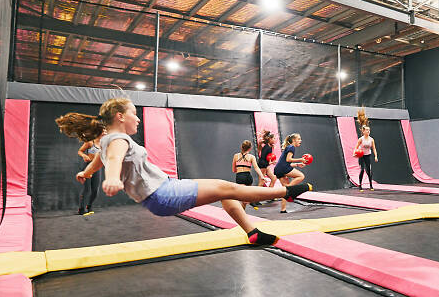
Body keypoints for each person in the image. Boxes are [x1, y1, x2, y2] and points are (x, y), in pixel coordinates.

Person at [55, 97, 312, 245]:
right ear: (120, 116)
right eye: (134, 114)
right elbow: (112, 159)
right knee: (230, 188)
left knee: (226, 193)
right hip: (163, 194)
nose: (138, 118)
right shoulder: (117, 141)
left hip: (163, 193)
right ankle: (286, 192)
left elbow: (101, 157)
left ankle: (253, 233)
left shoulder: (107, 139)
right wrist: (111, 178)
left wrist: (87, 172)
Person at [273, 133, 307, 213]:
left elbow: (285, 162)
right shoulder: (291, 147)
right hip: (283, 169)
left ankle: (283, 209)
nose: (300, 141)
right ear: (294, 140)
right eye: (298, 139)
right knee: (301, 176)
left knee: (285, 192)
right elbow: (288, 159)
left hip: (279, 169)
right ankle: (290, 189)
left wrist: (297, 164)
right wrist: (301, 159)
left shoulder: (289, 147)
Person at [232, 140, 265, 210]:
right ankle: (249, 201)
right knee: (246, 195)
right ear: (250, 148)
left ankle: (247, 203)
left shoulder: (236, 156)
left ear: (241, 147)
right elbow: (256, 168)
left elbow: (234, 170)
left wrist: (239, 167)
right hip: (248, 177)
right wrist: (262, 176)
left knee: (242, 197)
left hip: (240, 176)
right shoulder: (251, 157)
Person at [77, 133, 104, 215]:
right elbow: (80, 151)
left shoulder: (104, 143)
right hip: (87, 166)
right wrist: (84, 156)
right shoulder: (90, 142)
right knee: (87, 189)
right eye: (103, 131)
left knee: (95, 190)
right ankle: (81, 209)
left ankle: (89, 206)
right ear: (98, 132)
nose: (105, 133)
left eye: (106, 131)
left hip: (97, 167)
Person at [355, 109, 378, 192]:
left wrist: (375, 156)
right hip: (361, 156)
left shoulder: (371, 139)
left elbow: (374, 148)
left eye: (369, 130)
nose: (368, 131)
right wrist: (355, 153)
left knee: (369, 170)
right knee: (362, 169)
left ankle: (371, 185)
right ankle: (360, 185)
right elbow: (356, 147)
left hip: (368, 155)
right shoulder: (361, 139)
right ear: (364, 131)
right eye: (367, 130)